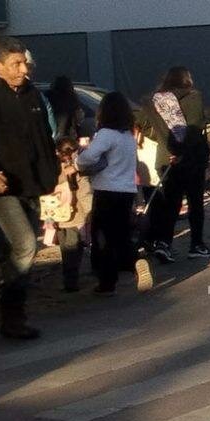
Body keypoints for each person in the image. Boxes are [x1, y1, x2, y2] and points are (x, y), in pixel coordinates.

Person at [0, 37, 59, 339]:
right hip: (1, 189)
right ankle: (11, 311)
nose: (24, 69)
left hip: (31, 186)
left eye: (25, 63)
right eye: (16, 64)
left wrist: (54, 175)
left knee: (16, 250)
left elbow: (44, 139)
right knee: (26, 246)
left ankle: (11, 317)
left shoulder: (32, 95)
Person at [135, 66, 210, 263]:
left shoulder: (155, 100)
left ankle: (164, 244)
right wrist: (182, 150)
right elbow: (194, 127)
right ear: (187, 80)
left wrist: (164, 140)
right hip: (190, 158)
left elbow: (143, 124)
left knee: (171, 203)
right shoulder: (193, 97)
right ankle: (196, 245)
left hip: (165, 158)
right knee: (195, 202)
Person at [76, 92, 152, 296]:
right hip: (126, 190)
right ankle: (135, 262)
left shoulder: (106, 135)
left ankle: (107, 282)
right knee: (121, 234)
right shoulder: (128, 136)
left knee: (102, 238)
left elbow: (87, 159)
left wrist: (79, 158)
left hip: (106, 190)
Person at [52, 137, 92, 292]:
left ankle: (69, 280)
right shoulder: (78, 170)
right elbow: (85, 192)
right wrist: (90, 213)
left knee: (66, 250)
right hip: (77, 217)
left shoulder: (52, 170)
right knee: (75, 249)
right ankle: (71, 281)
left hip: (58, 216)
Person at [47, 76, 84, 140]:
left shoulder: (48, 97)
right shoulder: (72, 99)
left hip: (50, 135)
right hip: (68, 135)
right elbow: (79, 117)